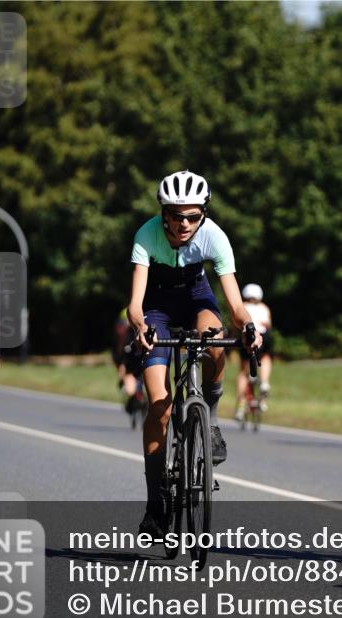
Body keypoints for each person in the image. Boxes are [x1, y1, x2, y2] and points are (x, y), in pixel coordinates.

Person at [128, 170, 260, 537]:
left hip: (196, 298)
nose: (184, 223)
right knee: (159, 406)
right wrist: (141, 327)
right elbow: (135, 304)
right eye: (176, 215)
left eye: (193, 216)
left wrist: (249, 328)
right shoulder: (146, 235)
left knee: (214, 339)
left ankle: (210, 419)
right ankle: (156, 505)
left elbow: (235, 305)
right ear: (164, 213)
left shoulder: (214, 235)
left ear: (203, 213)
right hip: (156, 308)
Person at [234, 283, 273, 420]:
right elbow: (268, 325)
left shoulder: (242, 307)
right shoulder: (264, 308)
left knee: (243, 371)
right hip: (263, 337)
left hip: (248, 338)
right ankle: (264, 382)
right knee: (266, 357)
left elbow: (236, 325)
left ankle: (240, 405)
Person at [111, 306, 142, 413]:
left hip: (141, 363)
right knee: (129, 388)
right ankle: (133, 399)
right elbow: (118, 359)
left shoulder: (133, 334)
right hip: (130, 368)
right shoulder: (120, 340)